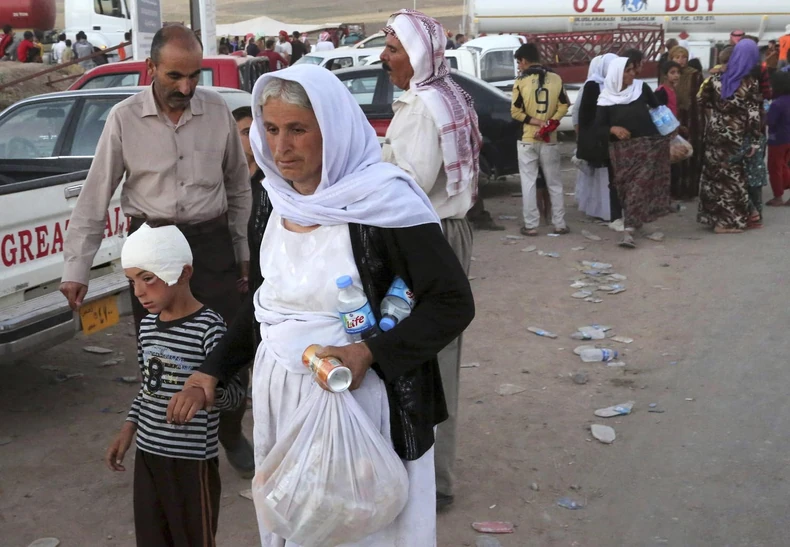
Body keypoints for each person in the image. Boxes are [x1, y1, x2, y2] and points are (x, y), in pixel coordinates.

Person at [175, 63, 475, 545]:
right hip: (284, 402)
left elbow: (452, 302)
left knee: (367, 527)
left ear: (331, 129)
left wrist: (367, 354)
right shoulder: (273, 200)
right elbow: (263, 302)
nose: (280, 147)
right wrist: (212, 369)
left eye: (297, 130)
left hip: (364, 402)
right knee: (301, 524)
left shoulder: (384, 204)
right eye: (270, 129)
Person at [60, 24, 255, 476]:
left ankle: (229, 429)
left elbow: (239, 188)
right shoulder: (124, 119)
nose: (186, 87)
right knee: (162, 354)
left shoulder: (218, 112)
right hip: (149, 248)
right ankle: (172, 443)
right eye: (174, 77)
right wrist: (77, 268)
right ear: (151, 69)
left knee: (229, 346)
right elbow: (95, 195)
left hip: (211, 246)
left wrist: (243, 250)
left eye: (193, 76)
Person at [379, 10, 480, 510]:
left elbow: (408, 186)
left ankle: (430, 480)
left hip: (425, 236)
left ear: (417, 56)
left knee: (425, 356)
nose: (384, 58)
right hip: (446, 231)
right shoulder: (447, 95)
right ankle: (432, 474)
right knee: (439, 359)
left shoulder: (423, 106)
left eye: (393, 50)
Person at [106, 223, 245, 546]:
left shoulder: (209, 328)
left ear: (183, 273)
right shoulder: (148, 328)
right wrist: (129, 427)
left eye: (148, 278)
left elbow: (236, 394)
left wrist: (202, 393)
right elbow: (148, 388)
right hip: (149, 457)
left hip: (192, 463)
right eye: (132, 281)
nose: (139, 291)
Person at [594, 57, 670, 248]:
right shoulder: (605, 98)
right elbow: (598, 127)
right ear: (617, 73)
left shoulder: (641, 88)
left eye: (633, 70)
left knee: (639, 186)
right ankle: (637, 222)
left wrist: (672, 131)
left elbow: (657, 109)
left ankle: (629, 230)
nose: (632, 74)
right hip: (622, 152)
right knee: (626, 190)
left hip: (647, 146)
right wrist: (613, 130)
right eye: (627, 71)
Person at [697, 39, 763, 233]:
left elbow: (701, 99)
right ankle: (726, 223)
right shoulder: (750, 83)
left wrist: (717, 116)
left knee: (713, 175)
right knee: (732, 179)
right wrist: (756, 142)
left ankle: (712, 218)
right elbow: (753, 114)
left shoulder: (716, 78)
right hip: (735, 137)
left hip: (714, 134)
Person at [510, 42, 570, 236]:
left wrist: (534, 121)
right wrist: (549, 123)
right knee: (554, 182)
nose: (519, 66)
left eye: (519, 62)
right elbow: (564, 105)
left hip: (527, 138)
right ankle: (559, 223)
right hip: (549, 138)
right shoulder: (556, 78)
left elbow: (515, 112)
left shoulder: (521, 81)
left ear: (525, 60)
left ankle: (531, 225)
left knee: (528, 182)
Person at [574, 53, 618, 221]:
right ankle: (601, 210)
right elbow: (584, 114)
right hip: (598, 138)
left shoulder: (615, 84)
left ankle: (611, 211)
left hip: (611, 137)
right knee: (600, 177)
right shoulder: (593, 85)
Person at [667, 45, 704, 200]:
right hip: (674, 117)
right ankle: (674, 190)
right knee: (675, 152)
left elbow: (701, 98)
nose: (681, 61)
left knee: (691, 152)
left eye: (684, 57)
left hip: (693, 118)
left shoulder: (694, 74)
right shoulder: (668, 74)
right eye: (677, 57)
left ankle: (689, 191)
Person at [766, 71, 790, 206]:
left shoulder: (777, 103)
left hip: (778, 139)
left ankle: (778, 196)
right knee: (785, 166)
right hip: (788, 138)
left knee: (775, 167)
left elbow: (771, 121)